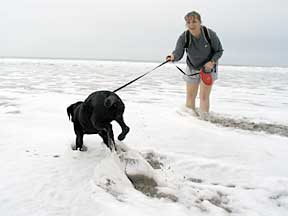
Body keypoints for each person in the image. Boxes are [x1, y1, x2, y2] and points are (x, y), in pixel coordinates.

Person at [166, 11, 223, 118]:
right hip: (192, 67)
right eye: (188, 22)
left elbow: (219, 51)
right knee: (190, 96)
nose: (191, 25)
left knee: (204, 96)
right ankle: (191, 121)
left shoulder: (209, 34)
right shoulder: (184, 37)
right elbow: (178, 53)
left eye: (194, 22)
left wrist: (212, 62)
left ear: (200, 22)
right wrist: (172, 57)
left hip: (208, 68)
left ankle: (204, 119)